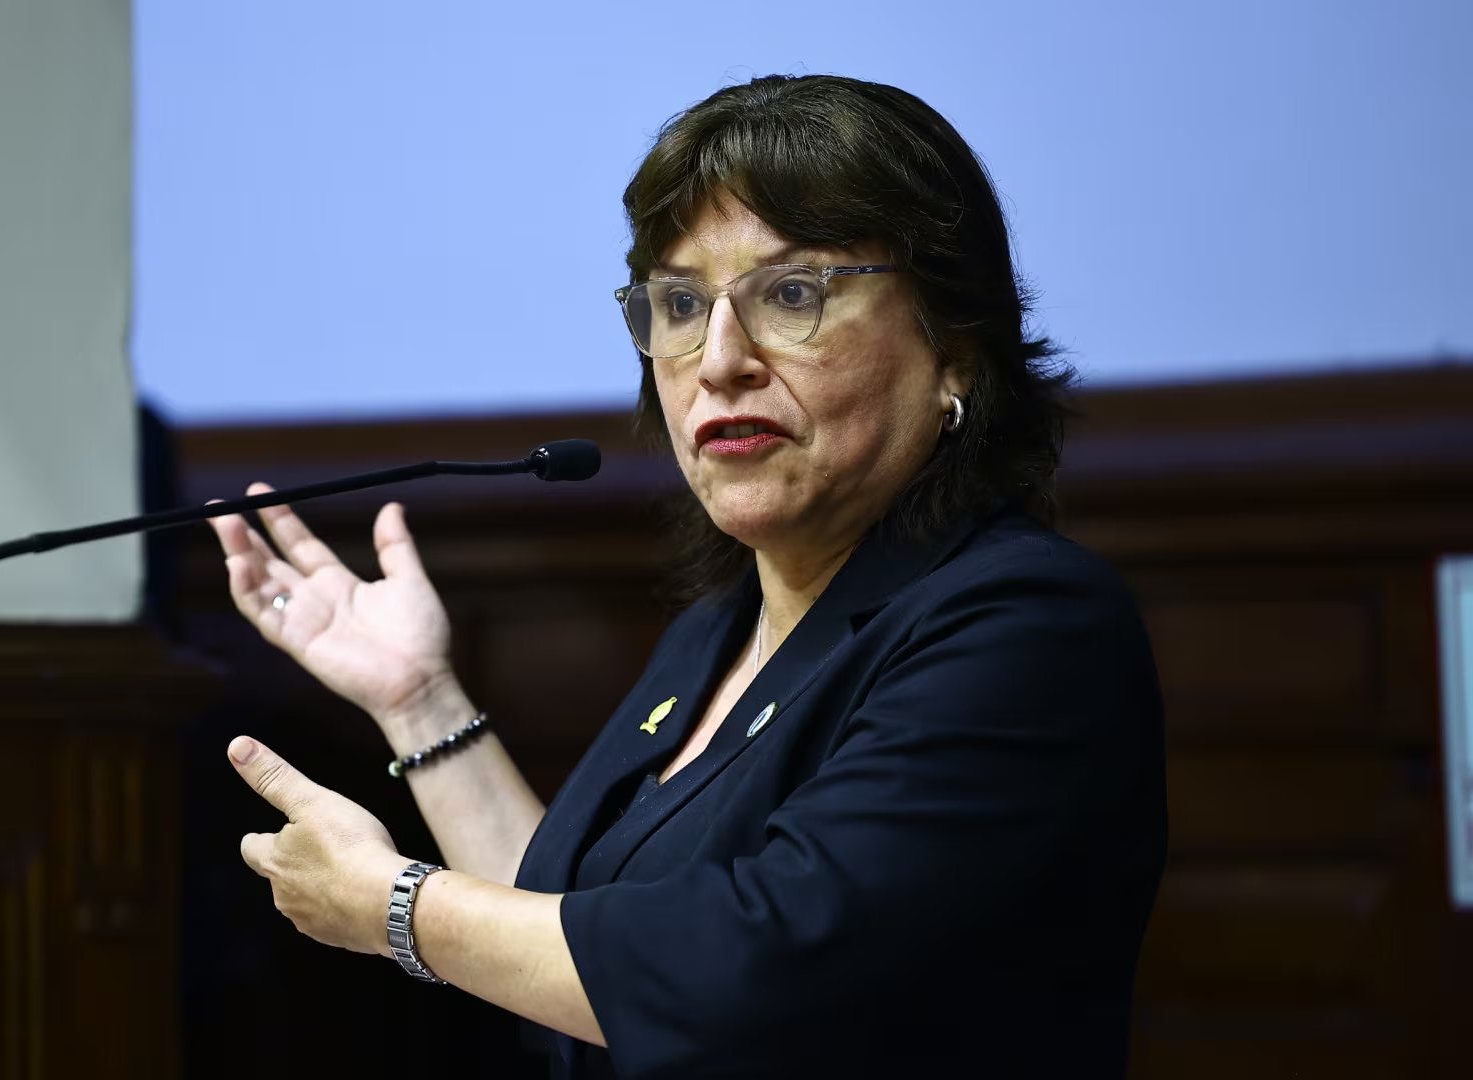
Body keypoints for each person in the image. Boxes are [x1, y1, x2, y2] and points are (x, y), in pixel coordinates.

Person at [206, 73, 1166, 1079]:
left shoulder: (1025, 625)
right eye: (679, 303)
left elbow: (750, 972)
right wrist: (418, 701)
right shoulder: (718, 632)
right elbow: (573, 955)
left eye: (792, 294)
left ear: (955, 350)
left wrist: (396, 907)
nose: (718, 360)